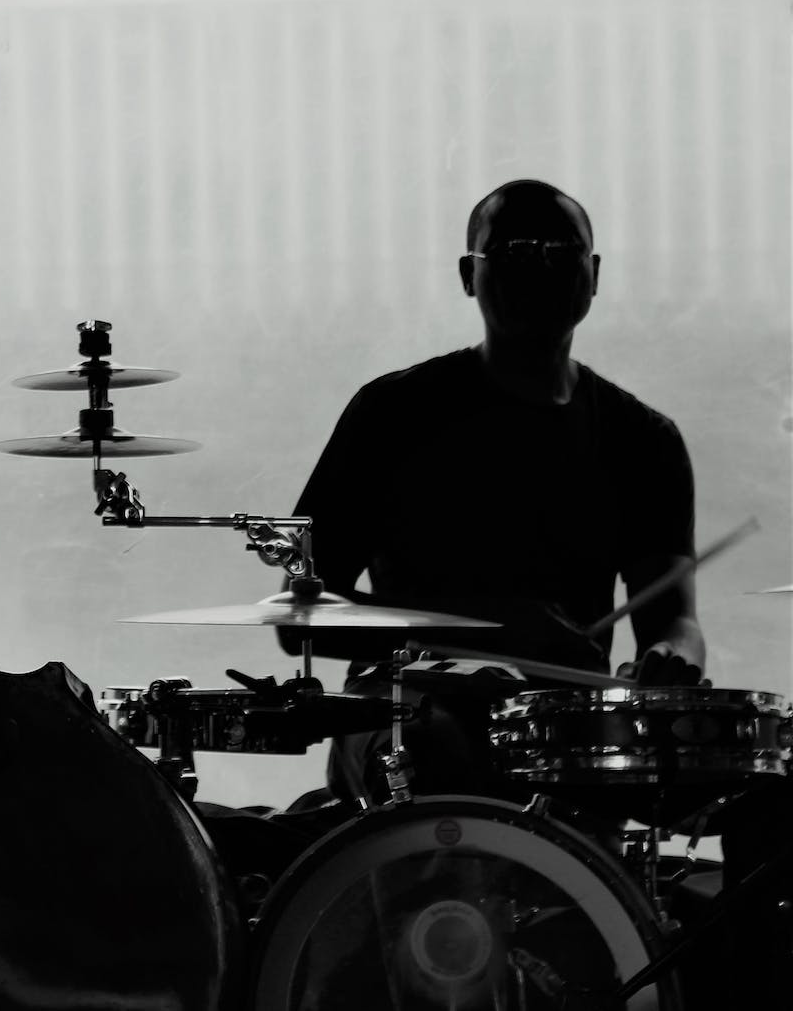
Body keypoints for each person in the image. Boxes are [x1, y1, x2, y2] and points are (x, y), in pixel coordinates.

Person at [287, 179, 704, 805]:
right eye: (512, 251)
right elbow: (301, 611)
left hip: (564, 728)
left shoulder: (643, 440)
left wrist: (674, 656)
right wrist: (499, 628)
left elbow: (672, 619)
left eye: (559, 251)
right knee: (437, 750)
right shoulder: (393, 413)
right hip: (405, 706)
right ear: (467, 274)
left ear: (593, 275)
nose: (538, 267)